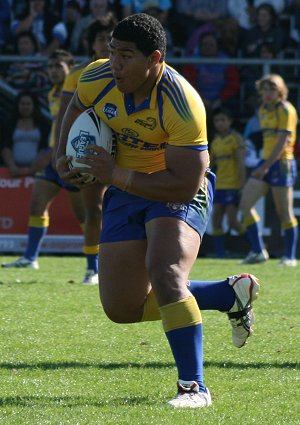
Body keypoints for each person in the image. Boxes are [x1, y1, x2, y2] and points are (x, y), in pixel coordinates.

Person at [56, 13, 260, 408]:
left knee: (165, 271)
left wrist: (116, 173)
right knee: (122, 309)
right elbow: (77, 106)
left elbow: (185, 183)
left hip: (176, 188)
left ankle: (194, 388)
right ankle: (226, 294)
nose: (115, 63)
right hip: (125, 188)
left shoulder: (182, 104)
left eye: (126, 56)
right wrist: (64, 152)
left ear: (155, 58)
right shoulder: (96, 77)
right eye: (112, 52)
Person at [1, 50, 85, 276]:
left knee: (84, 216)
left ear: (70, 69)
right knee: (37, 206)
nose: (53, 71)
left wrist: (54, 153)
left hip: (70, 158)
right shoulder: (51, 94)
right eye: (50, 66)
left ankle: (94, 267)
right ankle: (30, 258)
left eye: (58, 66)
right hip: (53, 158)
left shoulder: (78, 93)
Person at [54, 14, 117, 285]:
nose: (105, 44)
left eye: (110, 39)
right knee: (95, 208)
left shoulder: (125, 70)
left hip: (126, 143)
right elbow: (65, 114)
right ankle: (93, 268)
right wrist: (61, 152)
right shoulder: (78, 75)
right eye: (101, 39)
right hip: (91, 146)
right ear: (91, 44)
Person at [238, 74, 298, 266]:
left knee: (284, 212)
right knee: (245, 205)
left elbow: (282, 143)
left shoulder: (286, 110)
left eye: (272, 89)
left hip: (282, 164)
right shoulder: (263, 109)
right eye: (264, 89)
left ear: (280, 91)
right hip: (265, 162)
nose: (267, 94)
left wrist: (264, 167)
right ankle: (257, 251)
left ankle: (289, 256)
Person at [209, 107, 246, 258]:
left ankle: (257, 247)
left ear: (230, 121)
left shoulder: (236, 139)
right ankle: (220, 254)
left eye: (223, 120)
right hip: (220, 185)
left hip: (233, 185)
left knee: (233, 222)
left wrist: (242, 185)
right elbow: (210, 164)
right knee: (216, 220)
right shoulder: (216, 141)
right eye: (217, 120)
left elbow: (241, 163)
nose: (220, 123)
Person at [1, 91, 51, 177]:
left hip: (37, 171)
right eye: (22, 104)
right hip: (12, 171)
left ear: (33, 105)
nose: (25, 107)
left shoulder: (43, 124)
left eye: (28, 104)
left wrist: (37, 165)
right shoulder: (9, 123)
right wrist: (12, 166)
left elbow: (45, 148)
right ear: (17, 105)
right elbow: (5, 147)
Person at [3, 30, 51, 106]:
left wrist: (28, 75)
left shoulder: (41, 61)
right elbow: (11, 83)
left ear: (33, 45)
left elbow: (45, 82)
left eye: (26, 43)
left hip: (40, 104)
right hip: (18, 102)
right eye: (20, 43)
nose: (23, 46)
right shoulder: (14, 64)